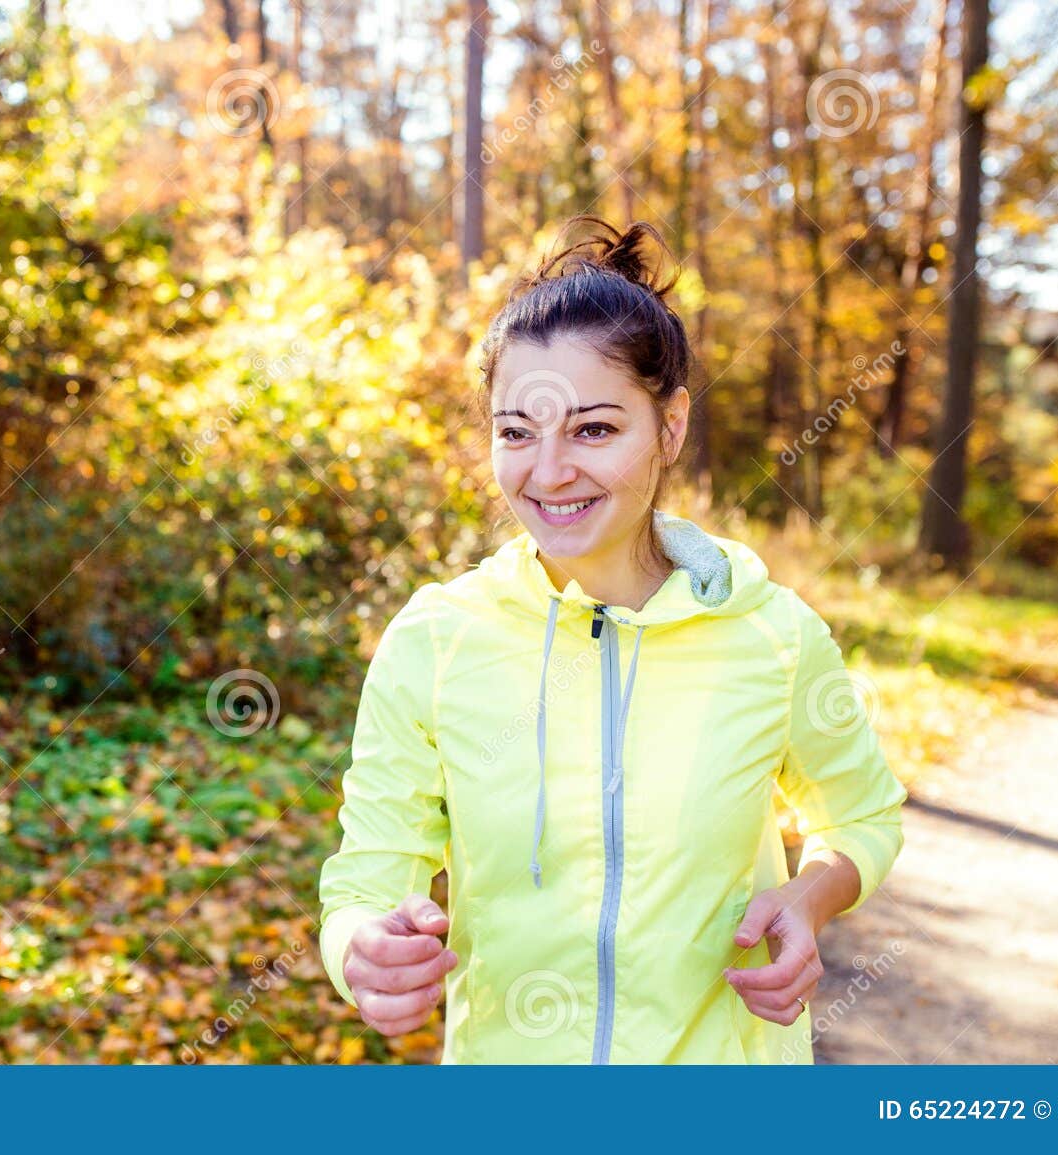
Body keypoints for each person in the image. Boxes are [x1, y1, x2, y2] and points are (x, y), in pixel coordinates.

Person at [316, 215, 907, 1063]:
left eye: (594, 429)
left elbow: (862, 813)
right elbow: (371, 872)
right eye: (516, 431)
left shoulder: (771, 635)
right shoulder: (437, 641)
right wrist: (361, 950)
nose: (547, 471)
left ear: (669, 427)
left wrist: (811, 897)